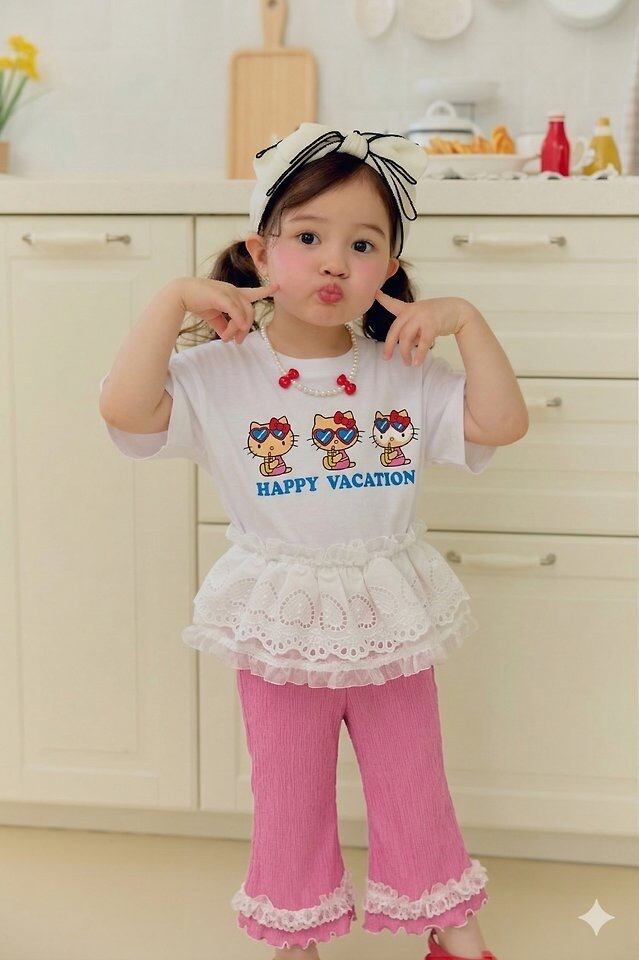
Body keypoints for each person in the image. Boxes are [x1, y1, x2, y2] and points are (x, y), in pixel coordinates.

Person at [98, 123, 529, 960]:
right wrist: (170, 300)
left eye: (361, 245)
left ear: (388, 269)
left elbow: (498, 422)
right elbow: (125, 408)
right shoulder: (219, 373)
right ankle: (295, 938)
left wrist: (466, 321)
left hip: (390, 614)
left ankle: (451, 927)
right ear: (259, 254)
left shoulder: (401, 369)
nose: (334, 261)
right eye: (307, 237)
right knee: (287, 790)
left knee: (412, 778)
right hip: (280, 619)